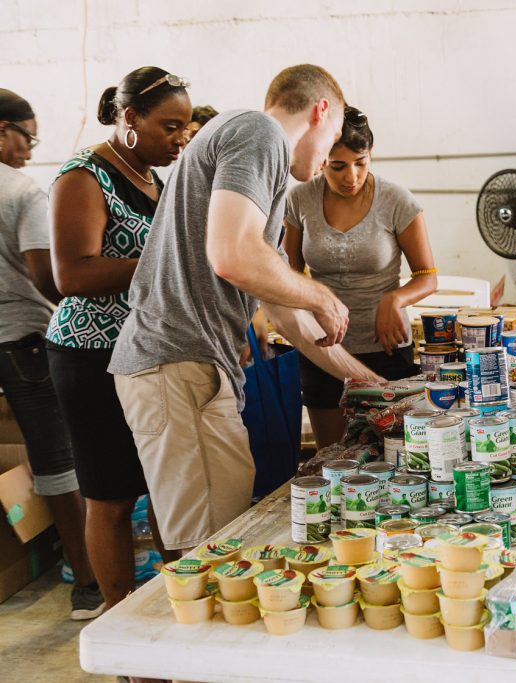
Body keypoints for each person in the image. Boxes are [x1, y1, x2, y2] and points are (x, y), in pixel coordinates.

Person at [109, 65, 380, 559]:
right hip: (179, 363)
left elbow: (284, 311)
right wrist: (321, 295)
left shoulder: (258, 174)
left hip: (189, 367)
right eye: (334, 136)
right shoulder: (260, 133)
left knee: (217, 539)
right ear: (321, 111)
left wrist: (371, 384)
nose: (328, 159)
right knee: (210, 553)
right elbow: (232, 256)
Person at [47, 67, 191, 608]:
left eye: (185, 128)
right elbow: (72, 275)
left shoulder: (153, 177)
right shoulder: (84, 176)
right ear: (130, 118)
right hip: (91, 356)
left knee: (165, 486)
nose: (181, 138)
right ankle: (118, 614)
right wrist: (164, 262)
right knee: (111, 495)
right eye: (170, 126)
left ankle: (180, 604)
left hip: (145, 352)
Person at [0, 89, 102, 620]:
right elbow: (49, 277)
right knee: (57, 462)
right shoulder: (21, 191)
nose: (28, 151)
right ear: (3, 131)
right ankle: (88, 585)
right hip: (23, 341)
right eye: (27, 138)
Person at [283, 106, 438, 448]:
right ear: (321, 159)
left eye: (361, 163)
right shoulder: (300, 199)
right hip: (323, 348)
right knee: (332, 455)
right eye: (338, 166)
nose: (351, 176)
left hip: (386, 346)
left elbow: (427, 276)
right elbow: (287, 274)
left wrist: (395, 298)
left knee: (392, 452)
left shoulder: (396, 200)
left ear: (371, 155)